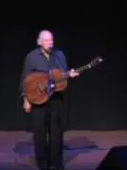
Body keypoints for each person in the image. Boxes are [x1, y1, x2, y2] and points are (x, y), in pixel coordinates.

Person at [20, 30, 79, 170]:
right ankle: (42, 163)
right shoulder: (31, 56)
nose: (50, 43)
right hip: (38, 99)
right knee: (39, 133)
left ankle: (56, 163)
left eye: (51, 40)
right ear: (39, 42)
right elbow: (24, 79)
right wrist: (25, 99)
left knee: (56, 133)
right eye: (46, 40)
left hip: (56, 99)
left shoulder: (59, 55)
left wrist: (69, 74)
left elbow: (62, 75)